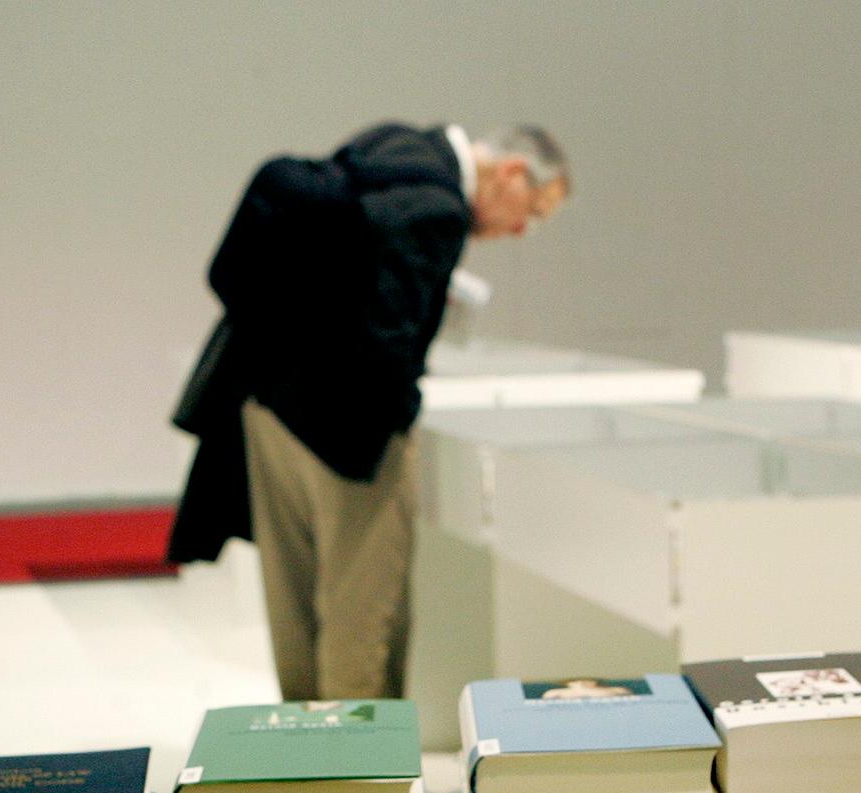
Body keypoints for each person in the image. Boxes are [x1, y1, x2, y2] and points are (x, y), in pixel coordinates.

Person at [168, 122, 569, 701]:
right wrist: (401, 416)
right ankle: (361, 781)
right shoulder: (439, 209)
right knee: (364, 617)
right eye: (531, 211)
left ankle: (305, 763)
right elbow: (388, 342)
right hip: (345, 434)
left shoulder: (394, 144)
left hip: (266, 403)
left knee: (295, 605)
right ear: (510, 173)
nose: (519, 230)